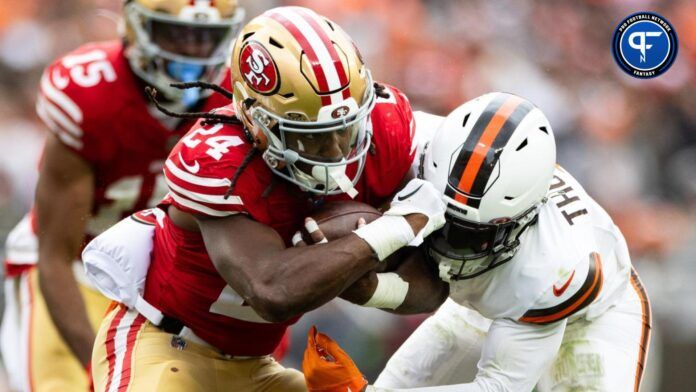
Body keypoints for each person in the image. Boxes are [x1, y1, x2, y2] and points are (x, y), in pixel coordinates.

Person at [85, 6, 447, 392]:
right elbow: (271, 291)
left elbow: (435, 287)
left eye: (347, 126)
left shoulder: (386, 130)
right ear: (256, 120)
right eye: (310, 133)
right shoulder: (218, 158)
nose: (337, 148)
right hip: (168, 349)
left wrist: (373, 289)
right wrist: (392, 230)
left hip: (257, 366)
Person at [303, 92, 652, 392]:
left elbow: (500, 386)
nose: (447, 244)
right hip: (490, 292)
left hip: (592, 317)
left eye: (469, 235)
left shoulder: (556, 264)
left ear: (520, 223)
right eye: (440, 217)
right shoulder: (413, 139)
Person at [0, 1, 245, 390]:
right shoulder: (89, 93)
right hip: (77, 266)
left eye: (206, 37)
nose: (192, 50)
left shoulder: (239, 97)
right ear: (137, 28)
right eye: (176, 33)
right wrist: (99, 372)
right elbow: (54, 258)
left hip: (163, 283)